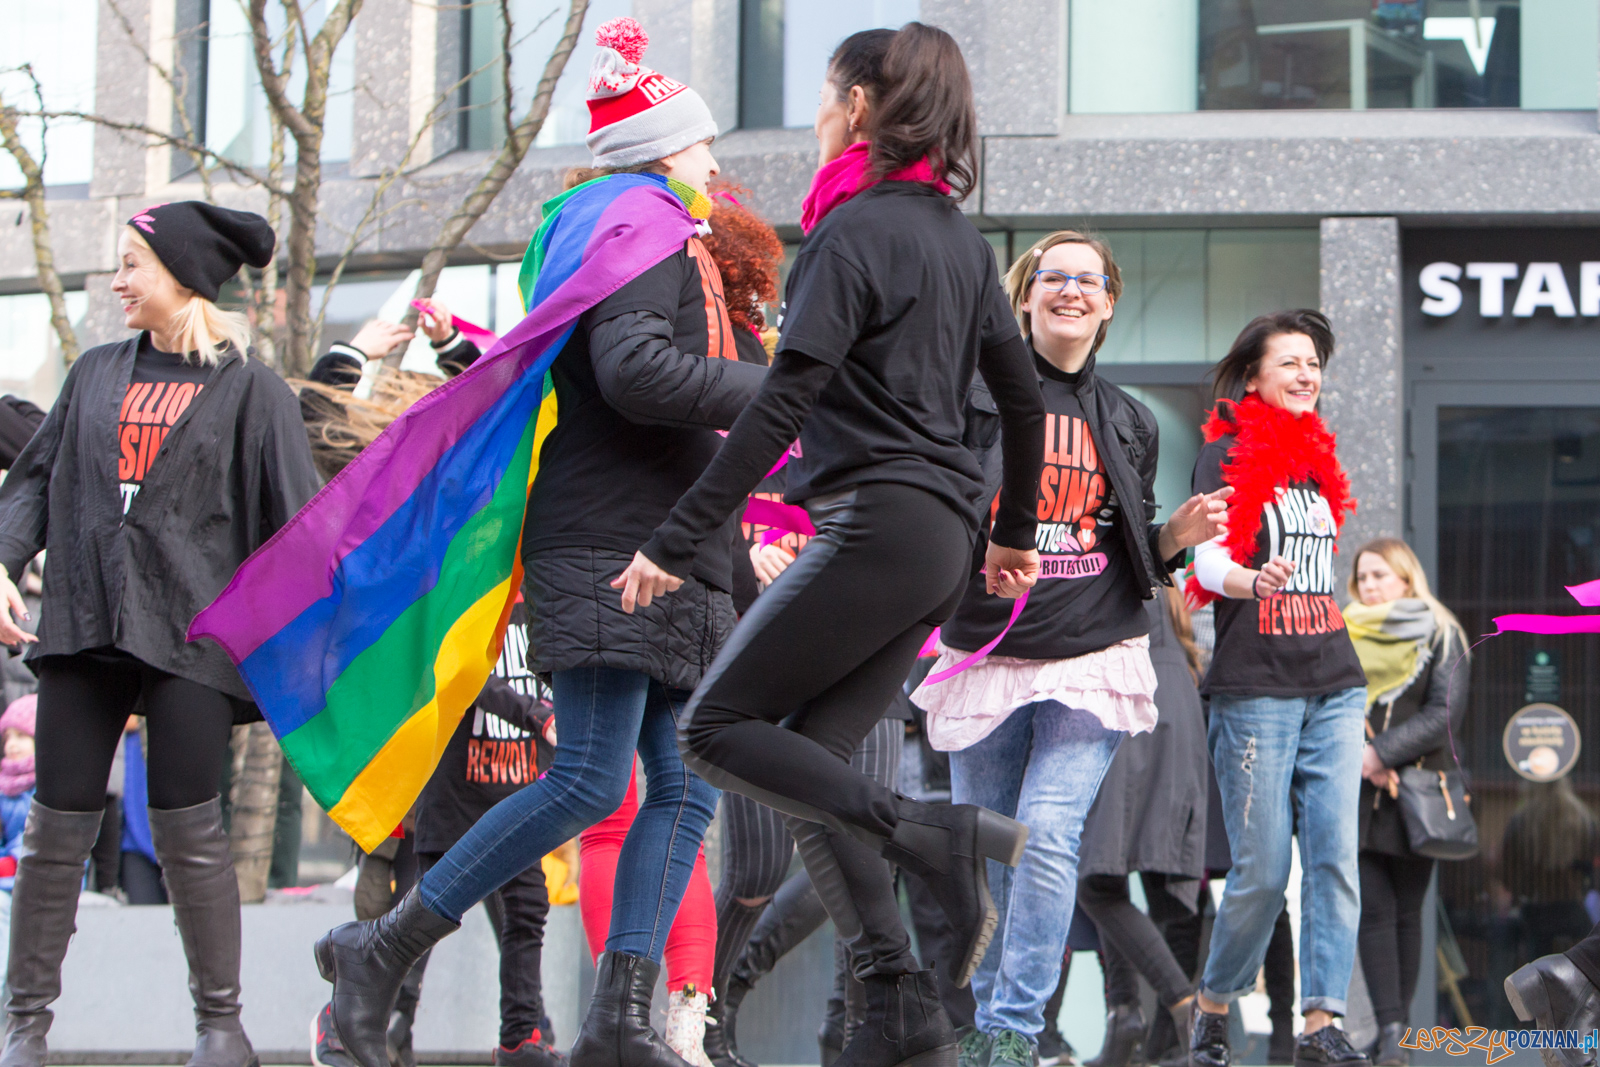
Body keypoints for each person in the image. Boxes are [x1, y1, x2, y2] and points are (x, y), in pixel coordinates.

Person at [313, 19, 766, 1067]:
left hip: (678, 543)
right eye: (700, 143)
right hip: (613, 541)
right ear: (661, 147)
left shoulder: (661, 231)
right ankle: (379, 947)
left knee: (683, 786)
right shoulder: (636, 225)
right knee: (592, 782)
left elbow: (691, 398)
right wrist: (781, 387)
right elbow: (639, 377)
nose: (714, 161)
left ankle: (618, 1021)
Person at [615, 24, 1048, 1067]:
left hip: (881, 522)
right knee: (802, 760)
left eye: (822, 95)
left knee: (713, 729)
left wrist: (676, 540)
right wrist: (1009, 533)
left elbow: (778, 406)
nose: (815, 114)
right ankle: (896, 994)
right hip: (938, 537)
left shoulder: (848, 234)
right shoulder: (957, 239)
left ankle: (930, 834)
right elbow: (1024, 395)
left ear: (858, 106)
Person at [0, 200, 319, 1067]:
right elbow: (34, 480)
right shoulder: (95, 371)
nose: (116, 282)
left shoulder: (254, 391)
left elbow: (302, 526)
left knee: (192, 828)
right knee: (53, 829)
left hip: (193, 635)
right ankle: (23, 1026)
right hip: (88, 618)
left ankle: (222, 1028)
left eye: (131, 267)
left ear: (182, 277)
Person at [907, 230, 1227, 1067]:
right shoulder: (969, 397)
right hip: (987, 651)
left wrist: (1175, 540)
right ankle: (990, 1022)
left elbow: (1129, 545)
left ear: (1109, 302)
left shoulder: (1125, 419)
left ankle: (1013, 1030)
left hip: (1093, 650)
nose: (1071, 291)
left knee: (1047, 834)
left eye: (1089, 280)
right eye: (1054, 276)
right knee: (993, 847)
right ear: (1025, 297)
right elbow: (933, 498)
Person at [1183, 310, 1369, 1067]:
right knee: (1261, 871)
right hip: (1255, 686)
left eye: (1314, 363)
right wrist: (1248, 580)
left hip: (1335, 680)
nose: (1306, 374)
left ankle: (1323, 1021)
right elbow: (1203, 565)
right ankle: (1214, 1003)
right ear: (1254, 377)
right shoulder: (1223, 455)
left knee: (1334, 859)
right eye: (1289, 361)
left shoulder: (1320, 459)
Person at [1343, 538, 1469, 1067]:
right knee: (1372, 912)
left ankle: (1400, 1033)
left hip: (1415, 794)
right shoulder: (1343, 631)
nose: (1369, 585)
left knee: (1405, 913)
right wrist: (1361, 756)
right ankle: (1391, 1029)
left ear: (1406, 579)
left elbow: (1444, 715)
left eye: (1380, 575)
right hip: (1355, 794)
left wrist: (1378, 753)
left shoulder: (1443, 633)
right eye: (1362, 576)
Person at [1076, 587, 1211, 1067]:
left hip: (1135, 706)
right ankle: (1125, 1012)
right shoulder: (1158, 575)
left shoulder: (1118, 560)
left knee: (1095, 882)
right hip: (1167, 704)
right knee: (1108, 876)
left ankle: (1181, 1009)